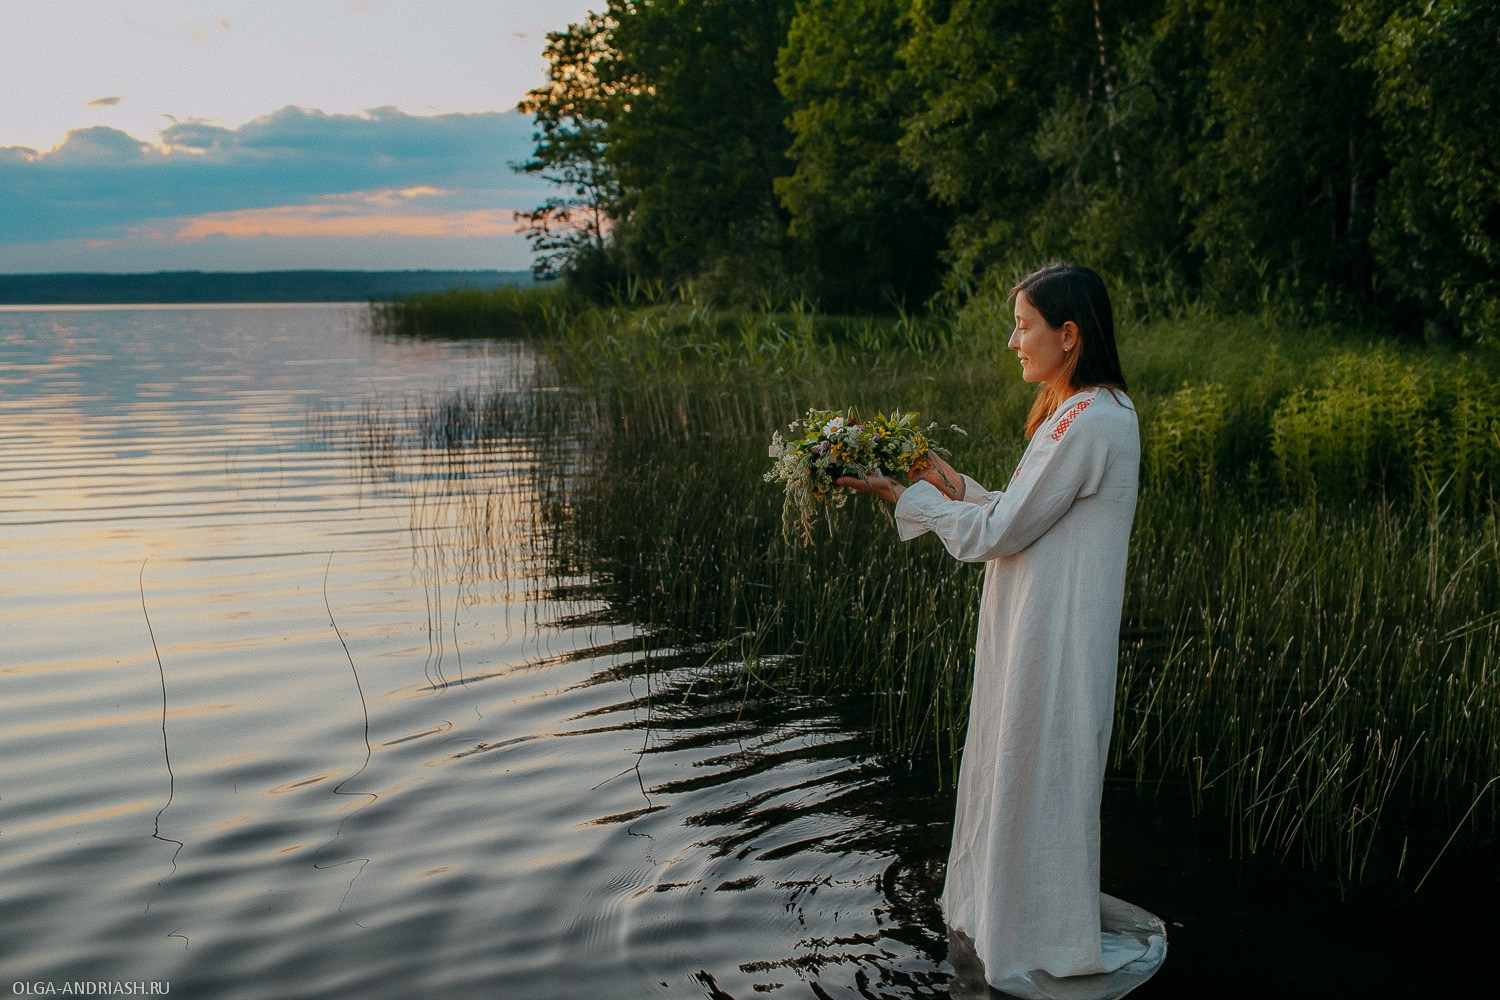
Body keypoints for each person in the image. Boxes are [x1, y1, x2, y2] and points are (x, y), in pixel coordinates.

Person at [838, 263, 1165, 998]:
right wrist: (928, 470)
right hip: (1032, 636)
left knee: (1040, 775)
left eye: (1024, 326)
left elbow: (999, 530)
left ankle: (1037, 937)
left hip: (1055, 646)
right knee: (1017, 770)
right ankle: (1006, 916)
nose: (1013, 342)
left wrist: (909, 493)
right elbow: (1016, 513)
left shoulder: (1097, 419)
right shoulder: (1075, 412)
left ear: (1069, 333)